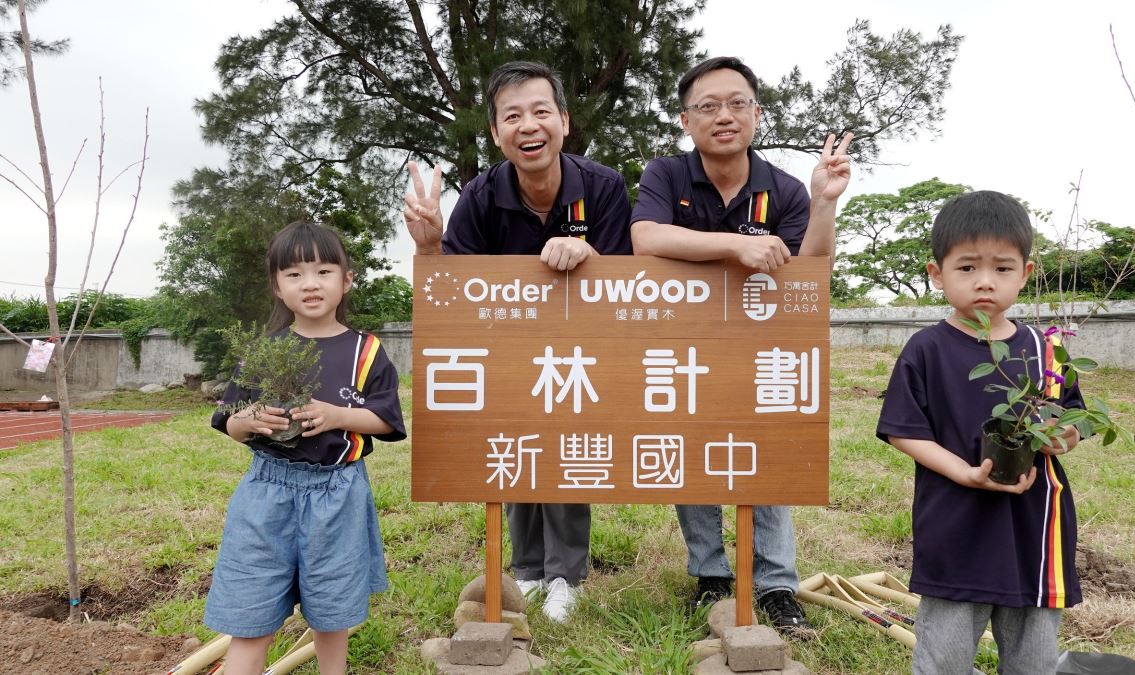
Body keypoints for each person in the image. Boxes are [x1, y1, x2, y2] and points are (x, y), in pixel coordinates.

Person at [630, 55, 851, 637]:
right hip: (682, 345)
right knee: (691, 450)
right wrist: (735, 246)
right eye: (707, 106)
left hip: (763, 347)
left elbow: (812, 268)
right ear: (686, 120)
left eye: (736, 103)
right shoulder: (666, 175)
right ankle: (711, 575)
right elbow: (645, 239)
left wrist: (824, 201)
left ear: (757, 113)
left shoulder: (781, 188)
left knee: (765, 458)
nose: (722, 116)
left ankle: (776, 583)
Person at [404, 60, 632, 622]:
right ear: (496, 132)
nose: (528, 126)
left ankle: (567, 574)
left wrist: (589, 255)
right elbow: (450, 290)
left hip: (584, 348)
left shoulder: (602, 188)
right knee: (520, 449)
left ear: (563, 120)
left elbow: (631, 283)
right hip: (507, 350)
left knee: (566, 449)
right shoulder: (480, 196)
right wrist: (430, 248)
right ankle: (528, 571)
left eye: (540, 111)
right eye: (513, 116)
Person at [876, 191, 1085, 673]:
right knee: (943, 660)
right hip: (955, 524)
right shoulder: (926, 350)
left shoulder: (1045, 349)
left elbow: (1074, 418)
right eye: (967, 268)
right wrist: (966, 473)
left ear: (1026, 273)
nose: (985, 282)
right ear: (937, 273)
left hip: (1034, 526)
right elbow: (905, 431)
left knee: (1033, 659)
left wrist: (1061, 437)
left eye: (1002, 268)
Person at [206, 221, 406, 675]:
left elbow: (386, 420)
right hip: (266, 494)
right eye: (294, 274)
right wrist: (247, 420)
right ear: (277, 287)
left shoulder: (367, 351)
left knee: (332, 614)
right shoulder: (264, 350)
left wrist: (337, 415)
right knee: (250, 616)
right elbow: (229, 422)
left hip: (338, 494)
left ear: (346, 280)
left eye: (323, 271)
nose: (310, 284)